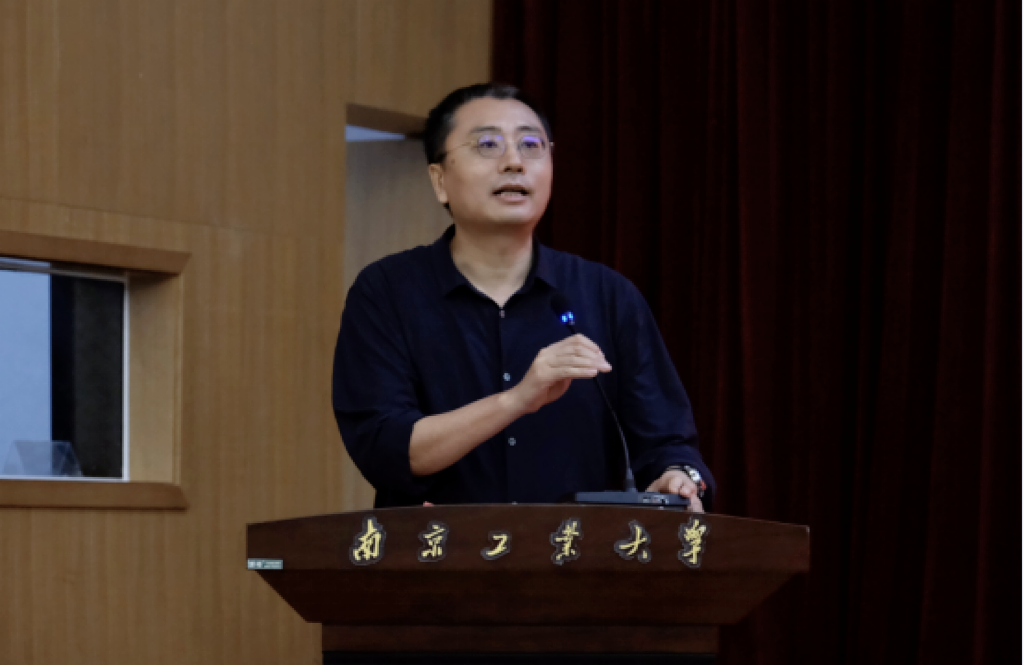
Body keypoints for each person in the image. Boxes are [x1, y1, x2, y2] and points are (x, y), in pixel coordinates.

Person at [332, 83, 714, 511]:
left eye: (531, 145)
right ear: (439, 180)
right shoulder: (387, 292)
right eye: (488, 145)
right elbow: (386, 448)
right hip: (441, 550)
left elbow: (666, 441)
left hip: (577, 551)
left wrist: (678, 476)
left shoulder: (608, 295)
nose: (514, 162)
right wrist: (516, 400)